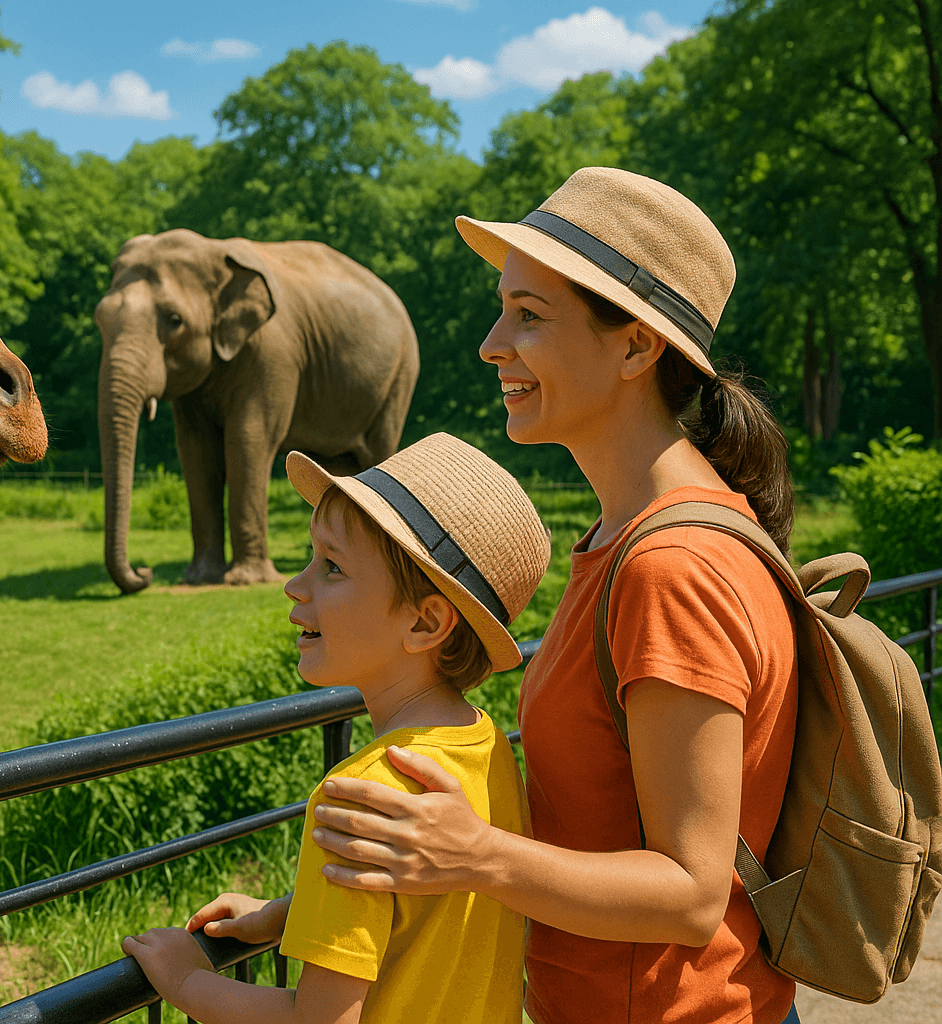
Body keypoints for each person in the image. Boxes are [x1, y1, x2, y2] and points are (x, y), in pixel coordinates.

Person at [269, 167, 800, 1024]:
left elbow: (691, 892)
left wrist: (477, 854)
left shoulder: (673, 567)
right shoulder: (626, 538)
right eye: (502, 307)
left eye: (529, 316)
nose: (490, 343)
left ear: (636, 347)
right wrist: (314, 915)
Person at [122, 432, 551, 1024]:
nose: (295, 586)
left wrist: (187, 981)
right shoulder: (485, 749)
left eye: (332, 566)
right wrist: (290, 914)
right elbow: (420, 914)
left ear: (426, 622)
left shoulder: (361, 795)